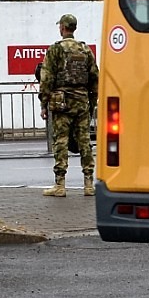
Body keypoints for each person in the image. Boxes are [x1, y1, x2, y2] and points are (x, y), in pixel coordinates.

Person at [39, 14, 99, 197]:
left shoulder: (55, 49)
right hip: (81, 101)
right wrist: (92, 103)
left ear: (63, 28)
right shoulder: (85, 50)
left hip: (61, 101)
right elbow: (94, 78)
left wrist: (43, 103)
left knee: (61, 141)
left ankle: (60, 185)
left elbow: (47, 78)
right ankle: (89, 184)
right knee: (84, 142)